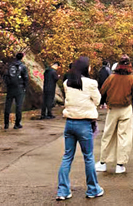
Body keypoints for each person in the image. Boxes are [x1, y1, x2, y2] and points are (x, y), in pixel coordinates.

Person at [56, 57, 104, 200]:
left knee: (67, 156)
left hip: (69, 123)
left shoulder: (67, 83)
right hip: (84, 124)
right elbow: (98, 100)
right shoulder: (91, 83)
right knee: (88, 157)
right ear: (85, 68)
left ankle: (63, 191)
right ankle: (93, 189)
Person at [95, 55, 133, 174]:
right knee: (124, 136)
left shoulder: (111, 78)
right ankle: (120, 165)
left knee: (108, 135)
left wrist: (102, 102)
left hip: (112, 109)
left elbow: (102, 91)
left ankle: (103, 162)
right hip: (126, 109)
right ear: (129, 65)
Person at [2, 50, 29, 130]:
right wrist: (24, 87)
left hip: (10, 88)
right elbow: (26, 78)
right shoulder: (22, 66)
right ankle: (17, 124)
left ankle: (6, 124)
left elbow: (5, 76)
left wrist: (7, 85)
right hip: (19, 88)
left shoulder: (10, 65)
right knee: (18, 106)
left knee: (8, 106)